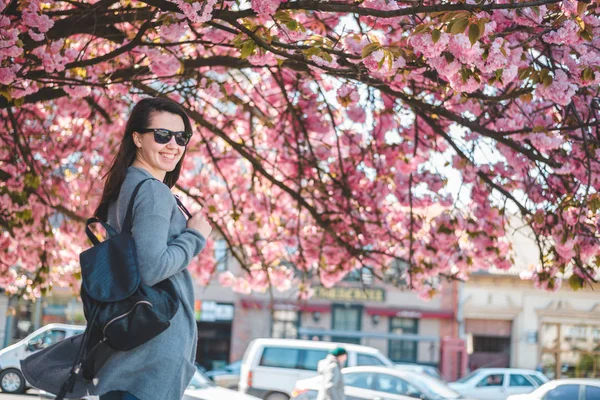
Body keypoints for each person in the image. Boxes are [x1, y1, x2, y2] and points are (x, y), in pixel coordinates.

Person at [91, 97, 212, 400]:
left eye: (182, 137)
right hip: (152, 353)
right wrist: (195, 236)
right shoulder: (154, 191)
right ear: (137, 137)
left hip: (130, 348)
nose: (173, 145)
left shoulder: (124, 187)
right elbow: (152, 268)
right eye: (162, 135)